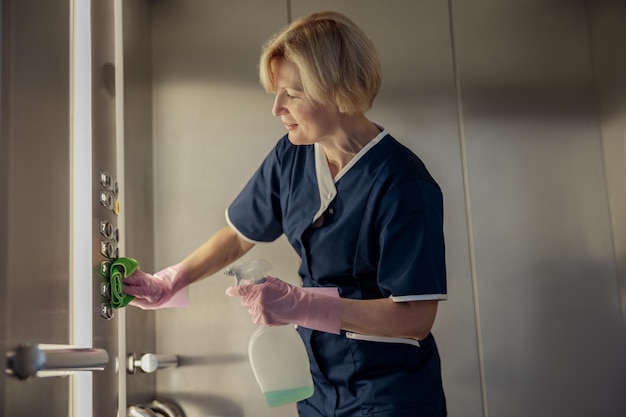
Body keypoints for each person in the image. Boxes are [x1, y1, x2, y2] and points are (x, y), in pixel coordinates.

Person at [123, 10, 447, 417]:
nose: (277, 108)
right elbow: (240, 233)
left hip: (388, 392)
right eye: (277, 92)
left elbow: (416, 317)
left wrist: (302, 304)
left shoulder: (403, 183)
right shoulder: (293, 154)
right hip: (317, 384)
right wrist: (169, 281)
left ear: (339, 90)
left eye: (292, 94)